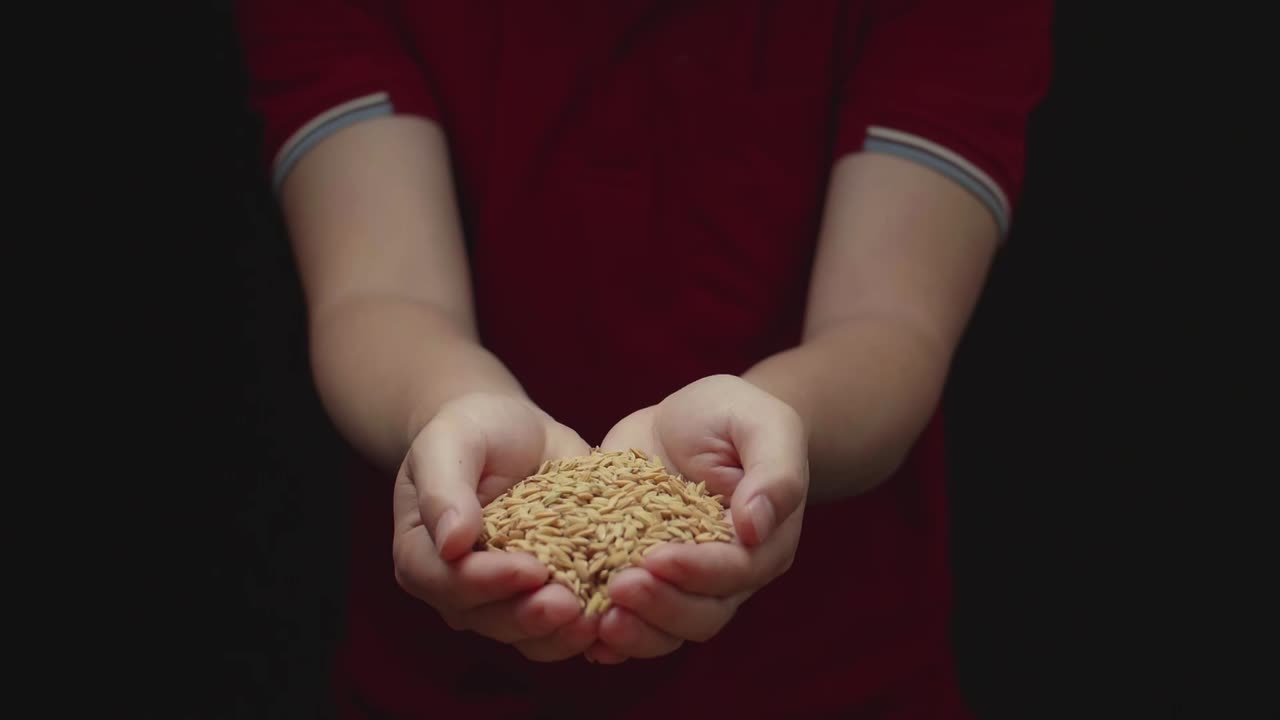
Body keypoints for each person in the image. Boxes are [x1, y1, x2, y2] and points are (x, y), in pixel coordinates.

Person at [234, 1, 1051, 717]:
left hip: (835, 677)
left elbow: (889, 327)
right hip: (447, 688)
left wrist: (775, 424)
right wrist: (445, 409)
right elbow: (378, 294)